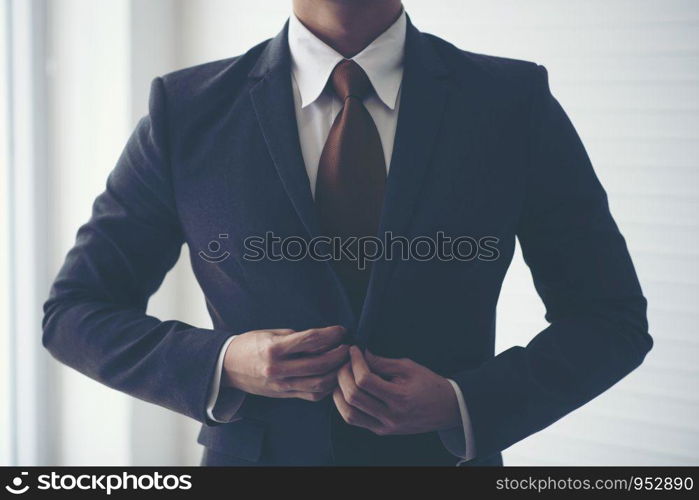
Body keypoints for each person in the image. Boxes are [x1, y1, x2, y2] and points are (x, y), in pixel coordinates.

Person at [42, 0, 652, 466]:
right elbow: (74, 314)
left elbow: (610, 318)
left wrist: (462, 403)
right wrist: (226, 363)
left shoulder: (511, 104)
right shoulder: (186, 110)